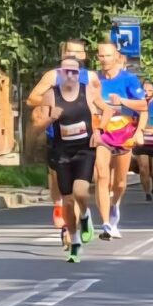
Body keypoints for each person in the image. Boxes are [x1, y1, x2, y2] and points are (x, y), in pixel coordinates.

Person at [32, 56, 114, 262]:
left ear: (79, 74)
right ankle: (75, 241)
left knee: (80, 191)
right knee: (67, 201)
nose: (70, 75)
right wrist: (51, 118)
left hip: (84, 149)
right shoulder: (51, 95)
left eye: (74, 72)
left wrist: (99, 131)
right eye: (66, 71)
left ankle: (85, 215)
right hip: (61, 151)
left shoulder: (88, 92)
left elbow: (108, 109)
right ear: (60, 73)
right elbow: (36, 129)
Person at [26, 39, 102, 232]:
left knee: (81, 185)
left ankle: (77, 224)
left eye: (78, 52)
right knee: (58, 183)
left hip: (85, 138)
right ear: (63, 54)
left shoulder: (91, 77)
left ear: (84, 56)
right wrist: (54, 104)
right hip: (58, 136)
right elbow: (32, 99)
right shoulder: (53, 76)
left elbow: (98, 106)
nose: (73, 55)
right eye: (69, 51)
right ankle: (59, 206)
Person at [94, 42, 148, 240]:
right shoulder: (94, 80)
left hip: (124, 133)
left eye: (108, 56)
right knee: (101, 176)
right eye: (101, 56)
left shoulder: (129, 79)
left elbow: (143, 105)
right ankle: (106, 223)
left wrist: (122, 102)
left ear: (116, 57)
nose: (104, 60)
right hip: (102, 133)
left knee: (120, 182)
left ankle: (115, 204)